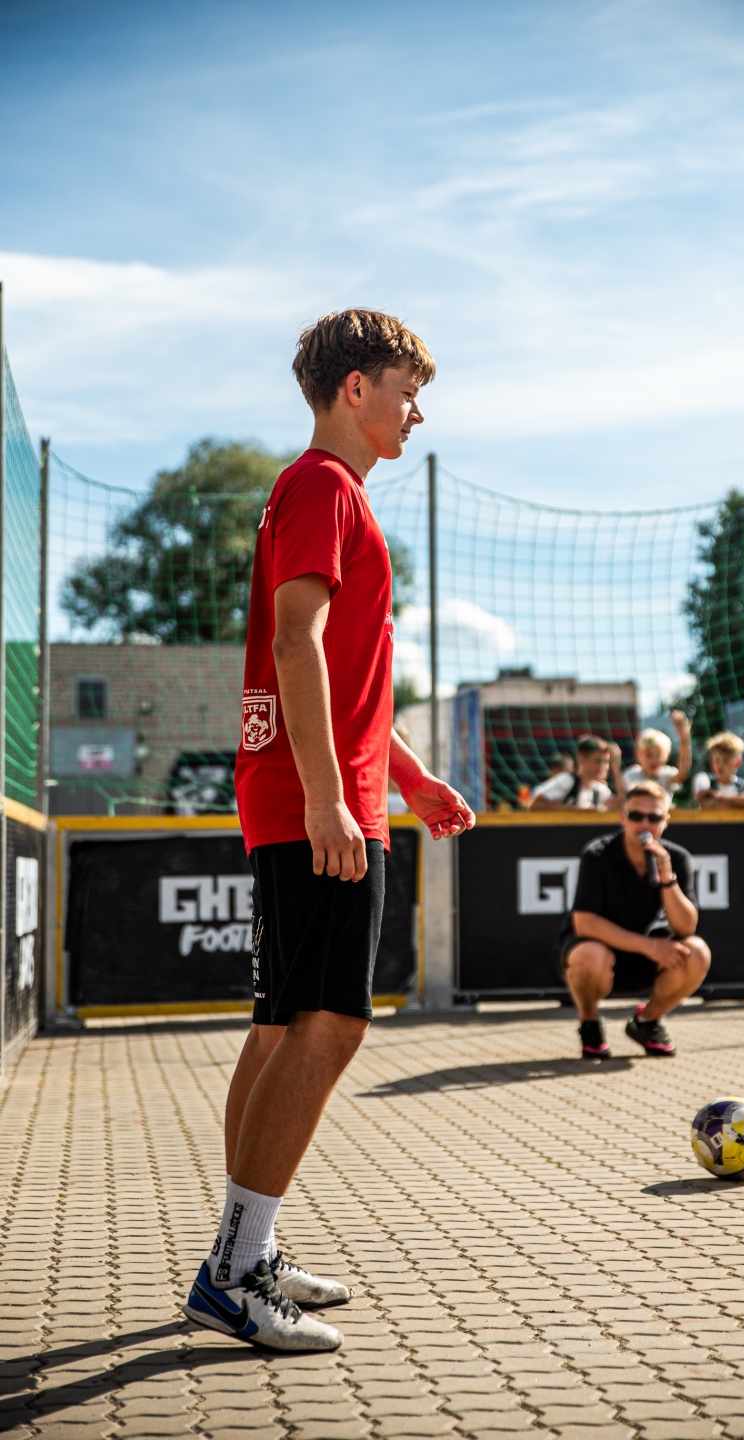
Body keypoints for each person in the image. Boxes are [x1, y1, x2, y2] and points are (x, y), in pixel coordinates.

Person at [184, 310, 475, 1353]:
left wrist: (409, 775)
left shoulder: (321, 493)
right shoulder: (322, 487)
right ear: (356, 387)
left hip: (320, 790)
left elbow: (345, 679)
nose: (416, 411)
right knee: (331, 1025)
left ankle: (245, 1251)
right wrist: (328, 797)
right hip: (316, 803)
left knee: (281, 1027)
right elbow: (296, 645)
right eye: (406, 389)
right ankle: (233, 1274)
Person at [557, 780, 710, 1060]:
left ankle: (647, 1021)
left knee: (697, 952)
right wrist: (651, 947)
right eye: (636, 816)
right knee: (589, 956)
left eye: (654, 818)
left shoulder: (675, 857)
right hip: (601, 951)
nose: (644, 824)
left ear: (666, 821)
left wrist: (667, 878)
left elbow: (686, 927)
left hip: (647, 955)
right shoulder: (598, 854)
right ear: (623, 818)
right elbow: (585, 923)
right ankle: (589, 1022)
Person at [528, 734, 622, 811]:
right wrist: (574, 809)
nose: (603, 767)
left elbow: (622, 806)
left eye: (606, 762)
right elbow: (534, 804)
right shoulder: (567, 780)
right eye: (598, 761)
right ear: (582, 758)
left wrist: (616, 768)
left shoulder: (598, 789)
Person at [619, 710, 692, 806]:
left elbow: (682, 774)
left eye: (659, 755)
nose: (653, 760)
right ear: (639, 754)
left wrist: (684, 738)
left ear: (667, 756)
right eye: (648, 754)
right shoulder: (631, 774)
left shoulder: (667, 773)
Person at [693, 731, 744, 815]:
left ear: (738, 762)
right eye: (717, 760)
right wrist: (743, 804)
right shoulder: (703, 780)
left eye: (726, 760)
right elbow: (706, 805)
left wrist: (720, 797)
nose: (720, 765)